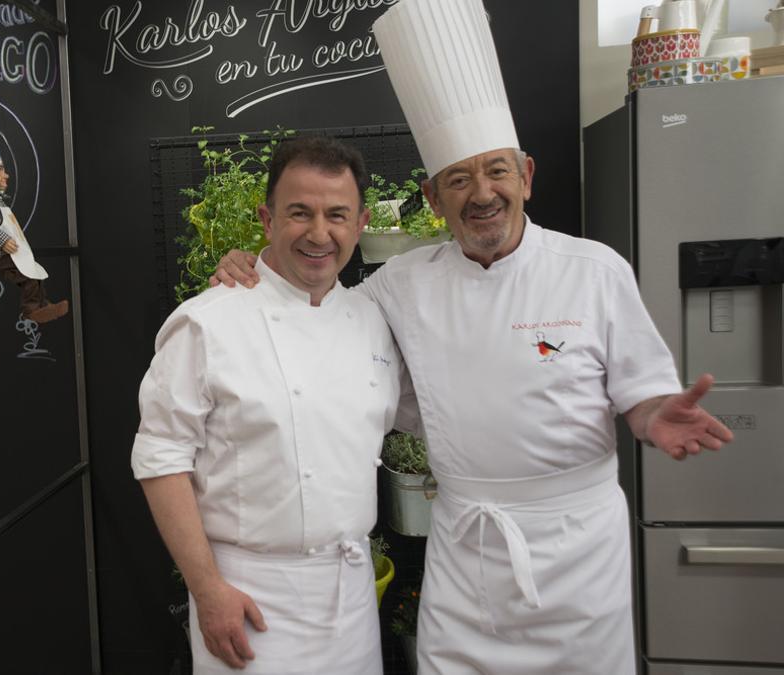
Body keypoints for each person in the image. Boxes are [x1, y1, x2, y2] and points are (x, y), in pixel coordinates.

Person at [210, 1, 734, 672]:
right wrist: (255, 265)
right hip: (465, 549)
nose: (480, 192)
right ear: (433, 198)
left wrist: (659, 414)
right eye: (458, 178)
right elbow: (317, 316)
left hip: (578, 557)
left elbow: (642, 394)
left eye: (496, 170)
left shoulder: (595, 271)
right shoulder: (402, 282)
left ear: (527, 176)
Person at [132, 137, 412, 674]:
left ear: (361, 224)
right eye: (299, 213)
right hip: (245, 597)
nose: (318, 233)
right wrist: (207, 589)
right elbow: (160, 460)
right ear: (267, 218)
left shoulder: (372, 320)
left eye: (337, 215)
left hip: (351, 596)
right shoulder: (209, 321)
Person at [0, 134, 68, 324]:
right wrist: (3, 241)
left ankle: (43, 305)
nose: (5, 175)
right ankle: (31, 310)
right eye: (0, 171)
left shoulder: (0, 202)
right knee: (29, 279)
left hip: (17, 254)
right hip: (6, 258)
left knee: (36, 276)